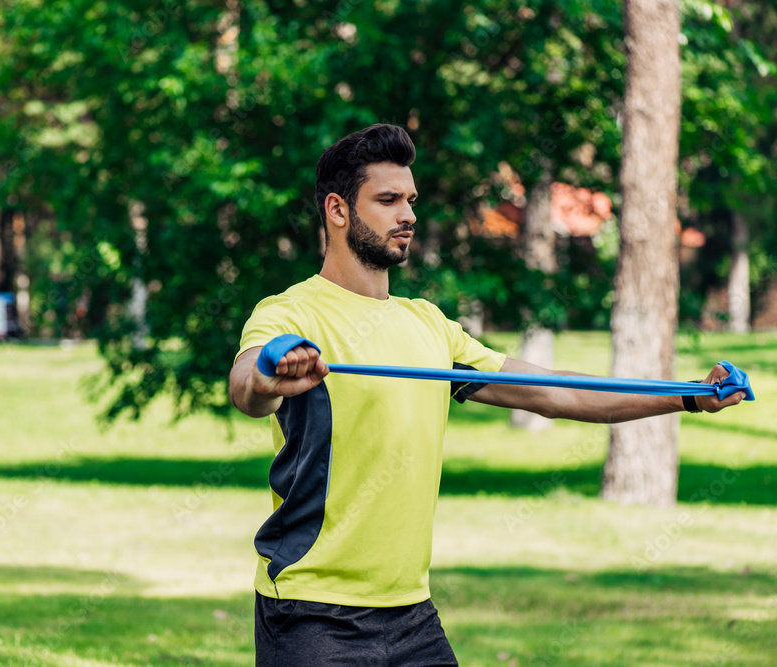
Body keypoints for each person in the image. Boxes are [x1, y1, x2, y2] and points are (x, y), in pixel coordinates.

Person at [228, 123, 745, 667]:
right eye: (387, 200)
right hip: (310, 612)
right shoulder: (291, 314)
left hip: (410, 615)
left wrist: (689, 396)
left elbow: (557, 394)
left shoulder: (429, 325)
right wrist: (268, 375)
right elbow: (247, 386)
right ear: (337, 210)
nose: (408, 215)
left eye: (411, 200)